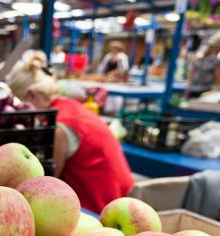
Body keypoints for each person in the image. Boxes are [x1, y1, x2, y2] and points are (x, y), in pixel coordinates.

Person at [7, 52, 135, 213]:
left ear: (32, 95)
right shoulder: (68, 106)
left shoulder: (59, 127)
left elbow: (48, 186)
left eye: (21, 104)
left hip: (100, 209)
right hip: (124, 199)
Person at [185, 32, 220, 99]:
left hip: (192, 92)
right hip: (206, 94)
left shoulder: (198, 57)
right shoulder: (216, 61)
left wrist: (186, 92)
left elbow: (190, 77)